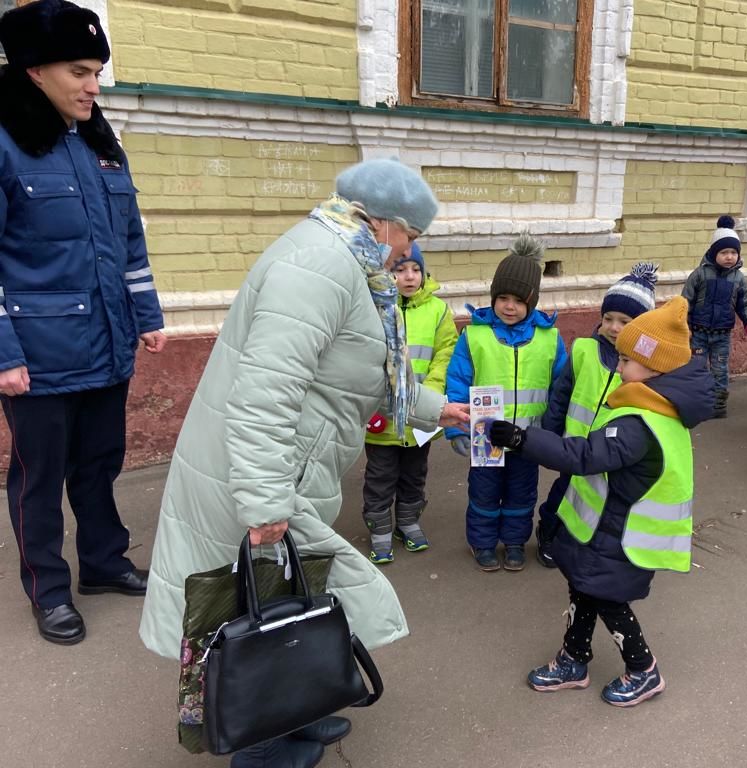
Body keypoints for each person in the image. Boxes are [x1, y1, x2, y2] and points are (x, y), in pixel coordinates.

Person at [139, 158, 469, 768]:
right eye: (412, 236)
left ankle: (299, 714)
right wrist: (264, 503)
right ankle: (260, 744)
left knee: (291, 598)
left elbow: (357, 372)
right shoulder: (320, 266)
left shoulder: (344, 260)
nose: (411, 251)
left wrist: (435, 408)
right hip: (260, 475)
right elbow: (267, 392)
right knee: (250, 613)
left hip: (293, 467)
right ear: (385, 222)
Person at [0, 0, 166, 646]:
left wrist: (145, 315)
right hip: (37, 356)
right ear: (35, 70)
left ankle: (103, 562)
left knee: (99, 464)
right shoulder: (9, 143)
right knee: (39, 477)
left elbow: (130, 243)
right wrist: (5, 352)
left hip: (107, 342)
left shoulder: (99, 141)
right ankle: (47, 588)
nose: (94, 86)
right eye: (80, 71)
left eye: (97, 70)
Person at [488, 296, 715, 707]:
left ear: (654, 369)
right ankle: (574, 658)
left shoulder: (639, 424)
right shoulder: (653, 409)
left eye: (627, 360)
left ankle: (644, 670)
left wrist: (523, 440)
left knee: (608, 600)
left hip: (622, 534)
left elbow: (584, 456)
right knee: (582, 587)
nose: (619, 366)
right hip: (606, 526)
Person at [445, 233, 568, 572]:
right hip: (485, 435)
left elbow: (560, 388)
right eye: (503, 298)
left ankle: (514, 542)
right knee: (484, 494)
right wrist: (456, 430)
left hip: (529, 439)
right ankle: (483, 543)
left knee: (521, 494)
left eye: (518, 300)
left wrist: (557, 432)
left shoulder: (550, 339)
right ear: (494, 297)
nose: (509, 306)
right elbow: (458, 382)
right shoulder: (475, 336)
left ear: (532, 301)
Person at [534, 262, 659, 568]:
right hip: (574, 446)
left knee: (601, 500)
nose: (614, 327)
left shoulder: (642, 365)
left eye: (625, 321)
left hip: (612, 451)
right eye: (608, 318)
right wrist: (550, 429)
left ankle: (586, 542)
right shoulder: (584, 350)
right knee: (563, 494)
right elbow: (562, 393)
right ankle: (548, 532)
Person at [361, 243, 457, 564]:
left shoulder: (438, 311)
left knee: (415, 474)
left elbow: (446, 352)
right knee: (380, 476)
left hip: (421, 419)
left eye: (415, 269)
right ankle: (380, 530)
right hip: (383, 417)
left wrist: (428, 392)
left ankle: (408, 521)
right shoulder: (371, 309)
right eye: (399, 270)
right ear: (386, 274)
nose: (409, 276)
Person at [682, 215, 747, 418]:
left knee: (720, 370)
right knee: (696, 369)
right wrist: (683, 325)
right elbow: (685, 302)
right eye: (724, 252)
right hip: (699, 333)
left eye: (733, 252)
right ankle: (696, 403)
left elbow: (745, 304)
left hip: (722, 335)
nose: (729, 256)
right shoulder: (699, 275)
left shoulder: (739, 279)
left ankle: (718, 405)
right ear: (713, 253)